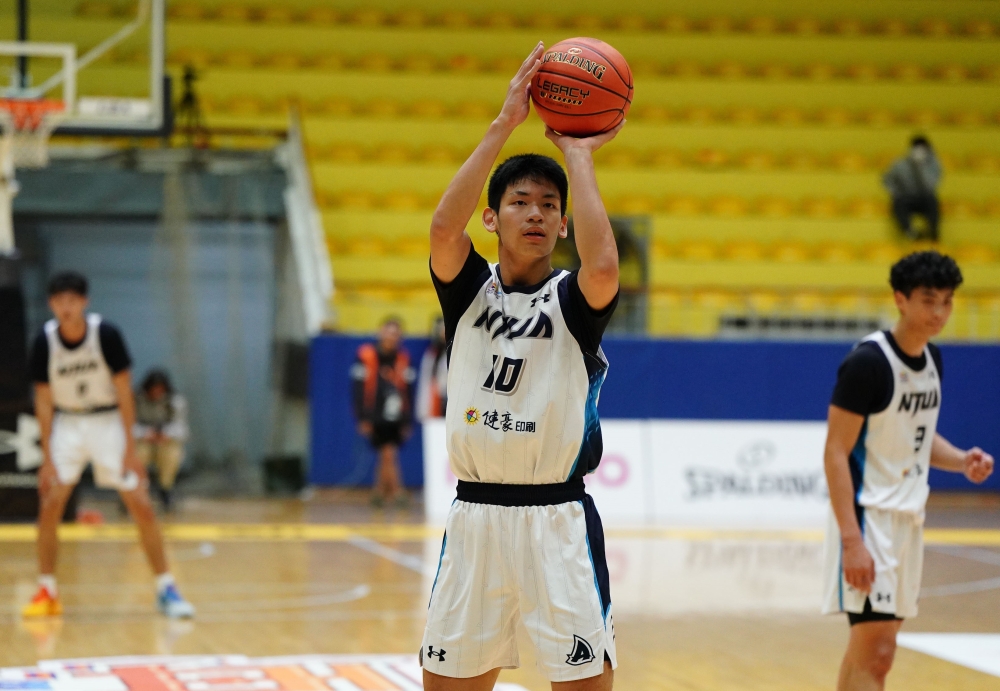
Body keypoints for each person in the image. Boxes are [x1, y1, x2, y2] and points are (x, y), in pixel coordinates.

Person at [420, 43, 622, 690]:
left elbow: (604, 267)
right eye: (519, 201)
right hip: (475, 518)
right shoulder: (468, 293)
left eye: (548, 205)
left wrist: (579, 155)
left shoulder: (572, 301)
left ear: (562, 224)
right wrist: (503, 124)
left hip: (557, 520)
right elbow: (442, 231)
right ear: (492, 217)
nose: (535, 212)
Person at [822, 251, 993, 690]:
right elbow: (836, 451)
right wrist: (851, 541)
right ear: (900, 299)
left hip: (908, 520)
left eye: (947, 302)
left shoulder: (933, 359)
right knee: (877, 652)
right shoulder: (868, 363)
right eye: (928, 300)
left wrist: (961, 460)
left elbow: (916, 435)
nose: (939, 313)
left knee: (871, 652)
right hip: (869, 519)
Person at [22, 271, 195, 619]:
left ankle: (166, 587)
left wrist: (130, 449)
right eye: (59, 301)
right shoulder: (44, 341)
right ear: (51, 304)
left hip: (107, 422)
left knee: (141, 504)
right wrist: (46, 456)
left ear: (84, 302)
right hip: (68, 424)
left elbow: (124, 392)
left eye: (72, 300)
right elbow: (43, 399)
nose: (66, 307)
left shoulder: (106, 335)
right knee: (50, 505)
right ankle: (46, 589)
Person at [351, 317, 415, 507]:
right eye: (388, 332)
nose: (391, 337)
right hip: (375, 414)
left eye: (396, 334)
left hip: (396, 415)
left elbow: (409, 391)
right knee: (387, 452)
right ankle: (396, 492)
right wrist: (362, 417)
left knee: (387, 453)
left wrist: (407, 420)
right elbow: (357, 388)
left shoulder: (404, 359)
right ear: (380, 333)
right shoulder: (365, 356)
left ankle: (379, 492)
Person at [134, 369, 189, 512]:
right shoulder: (135, 400)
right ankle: (133, 492)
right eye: (153, 389)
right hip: (142, 441)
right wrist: (145, 433)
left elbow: (182, 429)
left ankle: (165, 489)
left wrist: (166, 434)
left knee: (172, 454)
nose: (156, 392)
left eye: (160, 389)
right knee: (137, 455)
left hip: (164, 442)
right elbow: (125, 426)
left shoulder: (175, 401)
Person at [882, 135, 943, 241]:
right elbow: (887, 179)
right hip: (906, 197)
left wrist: (920, 168)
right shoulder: (900, 164)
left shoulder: (934, 164)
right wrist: (895, 192)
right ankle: (910, 232)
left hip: (924, 197)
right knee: (898, 204)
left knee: (932, 201)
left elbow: (930, 185)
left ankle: (933, 231)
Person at [415, 316, 449, 422]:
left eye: (444, 327)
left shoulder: (457, 352)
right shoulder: (431, 355)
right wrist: (423, 410)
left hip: (452, 403)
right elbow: (425, 383)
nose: (442, 332)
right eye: (440, 329)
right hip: (435, 405)